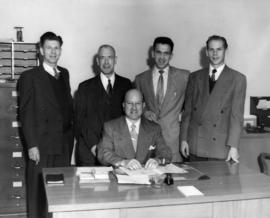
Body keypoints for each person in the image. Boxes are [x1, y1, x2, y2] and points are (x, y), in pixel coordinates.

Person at [18, 32, 73, 218]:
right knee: (39, 193)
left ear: (60, 50)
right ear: (41, 50)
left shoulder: (64, 73)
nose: (53, 52)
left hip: (63, 144)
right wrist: (32, 144)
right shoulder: (29, 77)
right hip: (42, 144)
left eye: (56, 48)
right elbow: (25, 114)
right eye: (48, 48)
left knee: (59, 192)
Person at [180, 35, 246, 162]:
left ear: (225, 51)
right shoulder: (194, 77)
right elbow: (187, 112)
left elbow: (236, 116)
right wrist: (183, 139)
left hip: (220, 147)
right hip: (195, 145)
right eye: (211, 49)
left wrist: (234, 147)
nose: (215, 54)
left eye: (219, 49)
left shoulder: (237, 78)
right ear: (206, 52)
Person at [75, 44, 132, 166]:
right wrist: (95, 148)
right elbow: (80, 121)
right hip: (90, 153)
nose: (106, 62)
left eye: (110, 57)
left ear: (115, 60)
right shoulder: (84, 88)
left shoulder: (127, 85)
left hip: (118, 153)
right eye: (102, 58)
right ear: (97, 61)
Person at [135, 37, 189, 162]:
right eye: (159, 52)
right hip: (148, 143)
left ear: (171, 55)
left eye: (166, 53)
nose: (162, 57)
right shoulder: (140, 79)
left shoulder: (184, 77)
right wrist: (145, 113)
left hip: (174, 143)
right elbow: (136, 108)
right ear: (153, 53)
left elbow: (190, 108)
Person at [98, 89, 172, 169]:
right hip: (120, 177)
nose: (134, 108)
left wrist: (157, 160)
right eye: (130, 103)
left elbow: (166, 153)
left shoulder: (154, 128)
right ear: (123, 105)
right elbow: (103, 154)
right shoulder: (110, 127)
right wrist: (123, 162)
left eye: (138, 103)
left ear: (143, 105)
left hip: (147, 178)